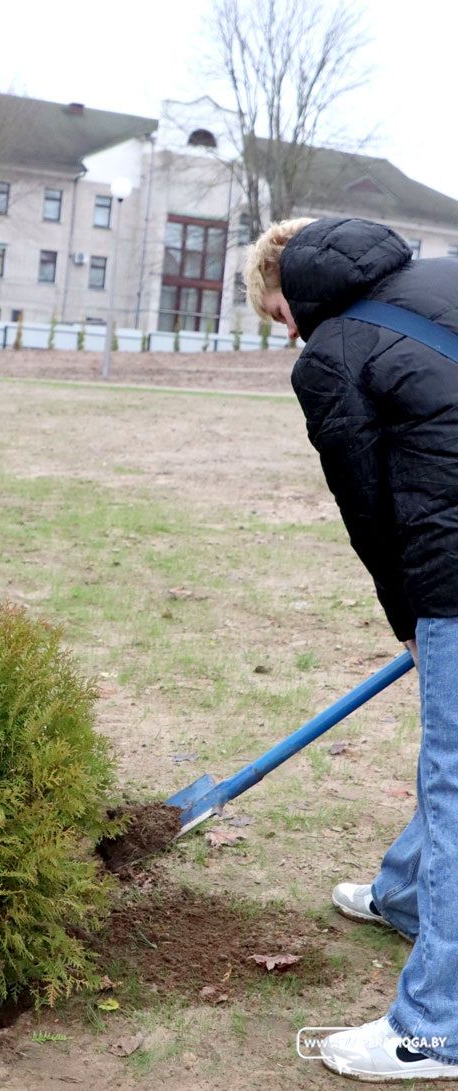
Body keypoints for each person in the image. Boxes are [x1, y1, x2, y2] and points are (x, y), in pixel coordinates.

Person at [245, 215, 458, 1082]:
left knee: (454, 782)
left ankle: (435, 1028)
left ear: (294, 290)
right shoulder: (444, 276)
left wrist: (411, 616)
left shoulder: (330, 356)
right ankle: (403, 894)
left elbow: (366, 505)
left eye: (279, 316)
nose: (288, 334)